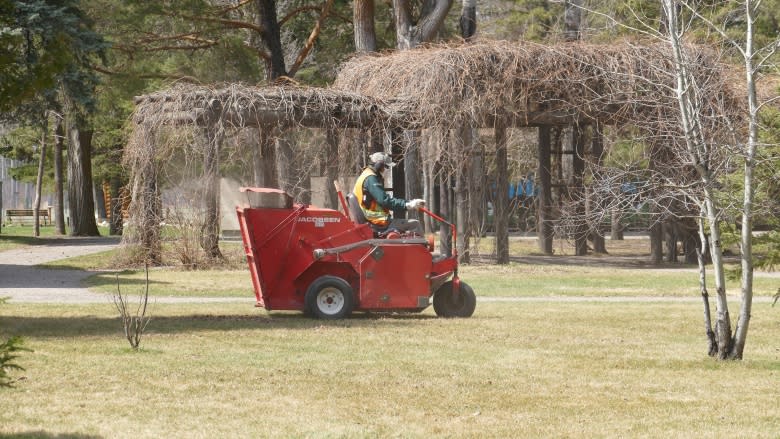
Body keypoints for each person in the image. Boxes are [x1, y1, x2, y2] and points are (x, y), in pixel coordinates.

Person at [353, 152, 425, 236]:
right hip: (376, 222)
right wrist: (408, 205)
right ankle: (418, 249)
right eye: (386, 167)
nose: (386, 170)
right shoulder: (371, 179)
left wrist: (409, 202)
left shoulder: (365, 175)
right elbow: (385, 201)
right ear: (379, 165)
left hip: (372, 220)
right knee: (415, 224)